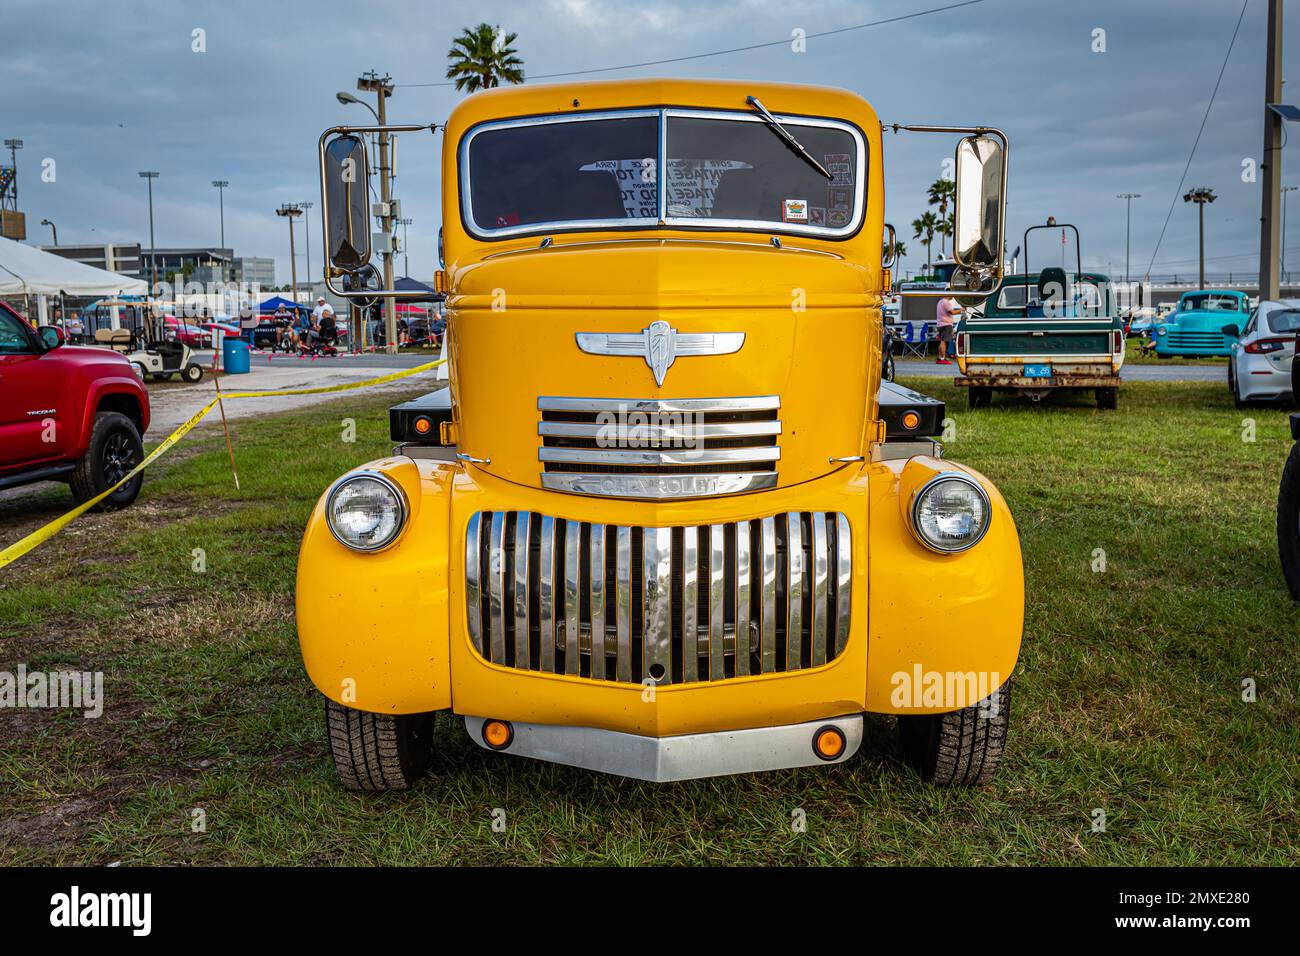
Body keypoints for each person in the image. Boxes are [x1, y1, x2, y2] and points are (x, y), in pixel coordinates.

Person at [935, 295, 961, 365]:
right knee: (943, 342)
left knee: (941, 341)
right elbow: (952, 312)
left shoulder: (940, 302)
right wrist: (961, 310)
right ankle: (943, 358)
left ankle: (940, 357)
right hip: (946, 324)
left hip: (940, 324)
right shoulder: (946, 302)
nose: (953, 296)